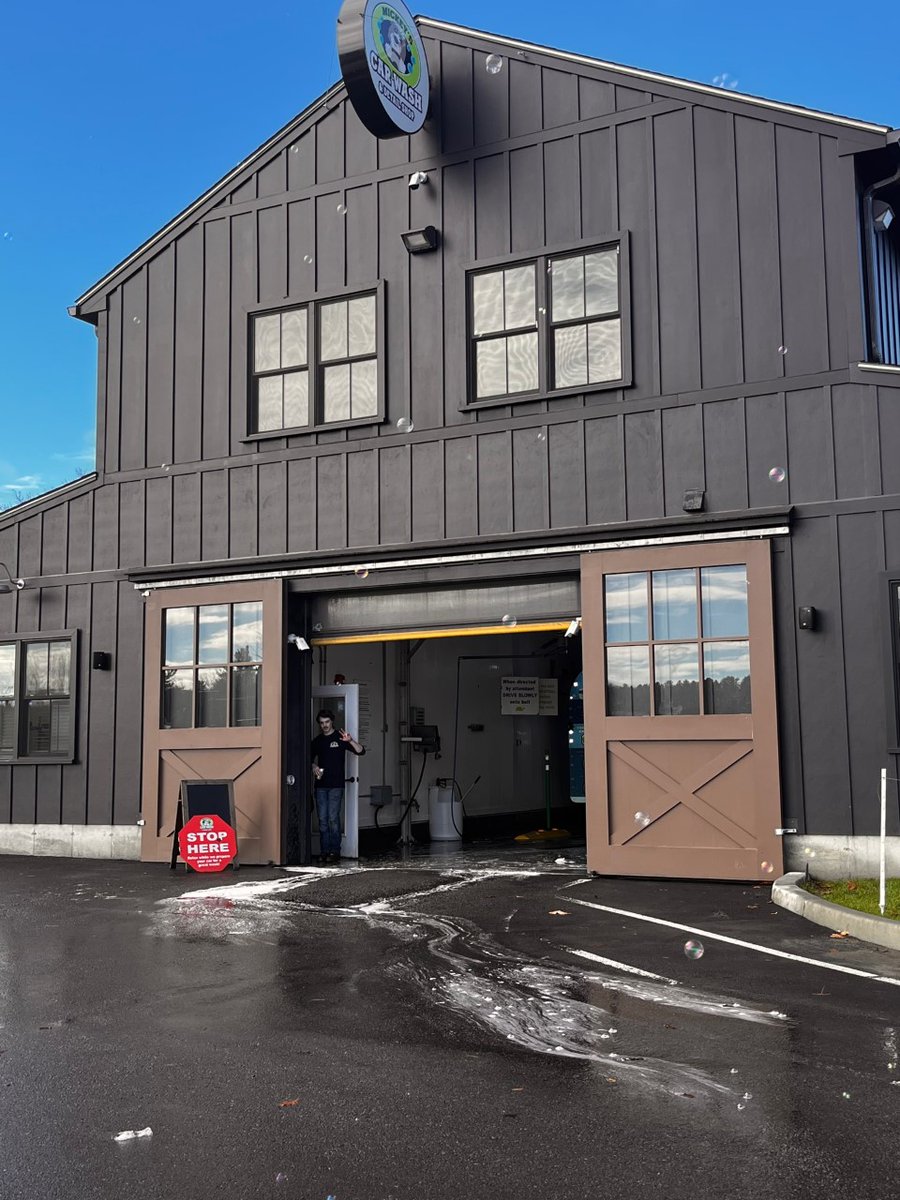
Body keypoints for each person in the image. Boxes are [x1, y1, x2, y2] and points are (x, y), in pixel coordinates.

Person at [311, 709, 365, 864]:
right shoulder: (318, 741)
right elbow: (308, 757)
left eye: (327, 722)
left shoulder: (340, 738)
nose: (324, 725)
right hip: (320, 785)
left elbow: (361, 751)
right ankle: (324, 851)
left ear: (332, 722)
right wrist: (313, 766)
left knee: (333, 819)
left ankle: (335, 851)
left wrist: (350, 741)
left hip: (336, 785)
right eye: (321, 723)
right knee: (322, 819)